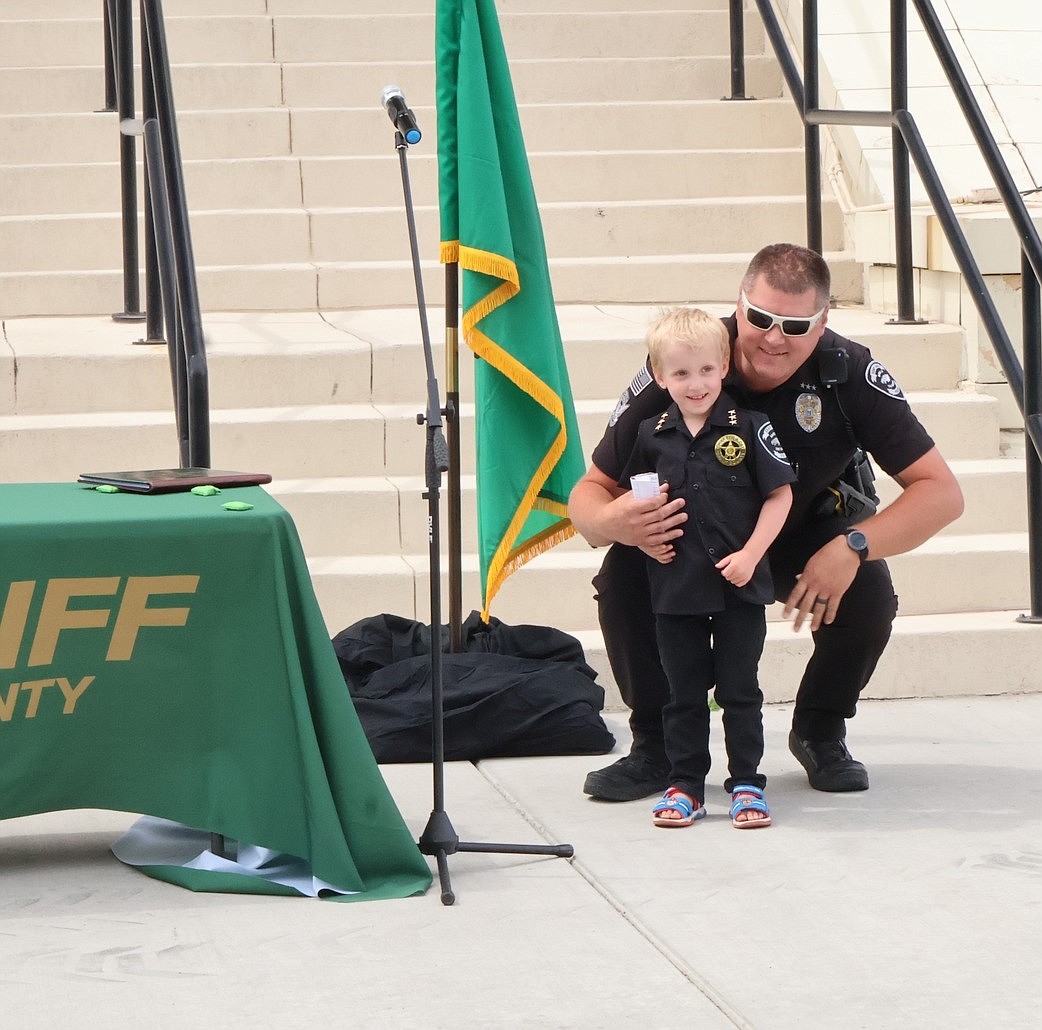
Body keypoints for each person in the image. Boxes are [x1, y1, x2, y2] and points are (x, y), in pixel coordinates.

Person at [569, 243, 965, 802]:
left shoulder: (848, 373)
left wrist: (852, 545)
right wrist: (614, 521)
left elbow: (942, 493)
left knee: (870, 595)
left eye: (797, 325)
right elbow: (587, 495)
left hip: (801, 532)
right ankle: (655, 746)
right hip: (691, 537)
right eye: (759, 318)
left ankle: (820, 731)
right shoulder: (691, 356)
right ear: (739, 304)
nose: (774, 338)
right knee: (622, 578)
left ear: (823, 323)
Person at [621, 308, 794, 828]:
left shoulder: (752, 427)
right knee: (684, 693)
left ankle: (746, 783)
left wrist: (751, 555)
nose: (694, 384)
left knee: (740, 690)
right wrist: (647, 540)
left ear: (724, 366)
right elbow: (639, 499)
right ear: (659, 377)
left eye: (704, 371)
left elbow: (780, 495)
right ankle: (686, 785)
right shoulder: (652, 434)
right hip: (676, 586)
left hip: (738, 587)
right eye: (679, 373)